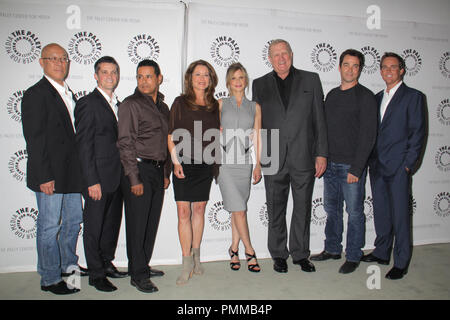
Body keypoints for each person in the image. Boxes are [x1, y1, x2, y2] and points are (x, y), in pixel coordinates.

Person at [252, 39, 328, 273]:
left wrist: (321, 153)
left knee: (303, 208)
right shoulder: (259, 84)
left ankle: (300, 254)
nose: (281, 58)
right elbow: (256, 123)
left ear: (292, 54)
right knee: (275, 208)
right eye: (276, 55)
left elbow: (320, 119)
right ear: (269, 58)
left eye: (284, 53)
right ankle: (278, 254)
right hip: (273, 157)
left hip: (304, 155)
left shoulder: (311, 79)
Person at [21, 43, 87, 295]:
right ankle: (49, 278)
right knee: (49, 226)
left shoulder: (69, 93)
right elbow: (35, 139)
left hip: (72, 174)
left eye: (64, 58)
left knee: (74, 221)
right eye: (53, 58)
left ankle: (68, 266)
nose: (60, 63)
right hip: (50, 175)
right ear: (42, 62)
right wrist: (44, 176)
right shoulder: (36, 94)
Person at [310, 49, 377, 274]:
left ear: (360, 69)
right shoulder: (333, 95)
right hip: (330, 164)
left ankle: (354, 254)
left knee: (355, 212)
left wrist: (357, 168)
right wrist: (322, 158)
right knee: (332, 209)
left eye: (355, 66)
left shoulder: (366, 97)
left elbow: (368, 135)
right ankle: (332, 249)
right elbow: (324, 130)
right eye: (346, 65)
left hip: (351, 167)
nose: (350, 69)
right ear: (339, 67)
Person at [361, 52, 426, 280]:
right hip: (377, 166)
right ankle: (381, 252)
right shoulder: (377, 97)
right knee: (381, 214)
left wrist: (408, 165)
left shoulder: (414, 97)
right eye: (384, 67)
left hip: (399, 167)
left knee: (400, 216)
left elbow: (418, 133)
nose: (388, 70)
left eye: (393, 67)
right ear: (380, 71)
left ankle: (401, 261)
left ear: (401, 70)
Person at [74, 56, 128, 292]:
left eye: (113, 72)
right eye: (104, 72)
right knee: (94, 226)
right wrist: (91, 180)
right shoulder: (88, 103)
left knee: (111, 225)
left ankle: (106, 263)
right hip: (98, 178)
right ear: (95, 75)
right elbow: (84, 145)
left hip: (116, 177)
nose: (110, 76)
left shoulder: (118, 103)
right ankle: (95, 273)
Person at [117, 59, 170, 293]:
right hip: (138, 170)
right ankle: (137, 274)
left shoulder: (163, 106)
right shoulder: (130, 104)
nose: (144, 81)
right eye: (140, 76)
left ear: (159, 78)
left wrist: (166, 172)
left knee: (150, 223)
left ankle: (143, 266)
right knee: (137, 225)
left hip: (158, 171)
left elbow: (166, 141)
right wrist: (133, 178)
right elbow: (125, 143)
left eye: (149, 76)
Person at [168, 60, 220, 285]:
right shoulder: (180, 102)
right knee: (183, 213)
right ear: (190, 77)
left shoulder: (214, 105)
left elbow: (219, 133)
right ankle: (186, 261)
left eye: (206, 74)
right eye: (197, 74)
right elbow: (170, 135)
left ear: (211, 79)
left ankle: (197, 256)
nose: (202, 78)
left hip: (205, 164)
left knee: (199, 209)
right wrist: (175, 162)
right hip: (183, 163)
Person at [217, 63, 262, 272]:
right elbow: (212, 132)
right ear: (228, 82)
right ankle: (250, 251)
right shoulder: (220, 104)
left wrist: (258, 164)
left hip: (244, 162)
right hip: (225, 163)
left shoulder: (254, 107)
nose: (238, 81)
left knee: (238, 210)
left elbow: (257, 137)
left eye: (241, 77)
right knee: (240, 210)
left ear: (246, 81)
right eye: (234, 78)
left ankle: (233, 249)